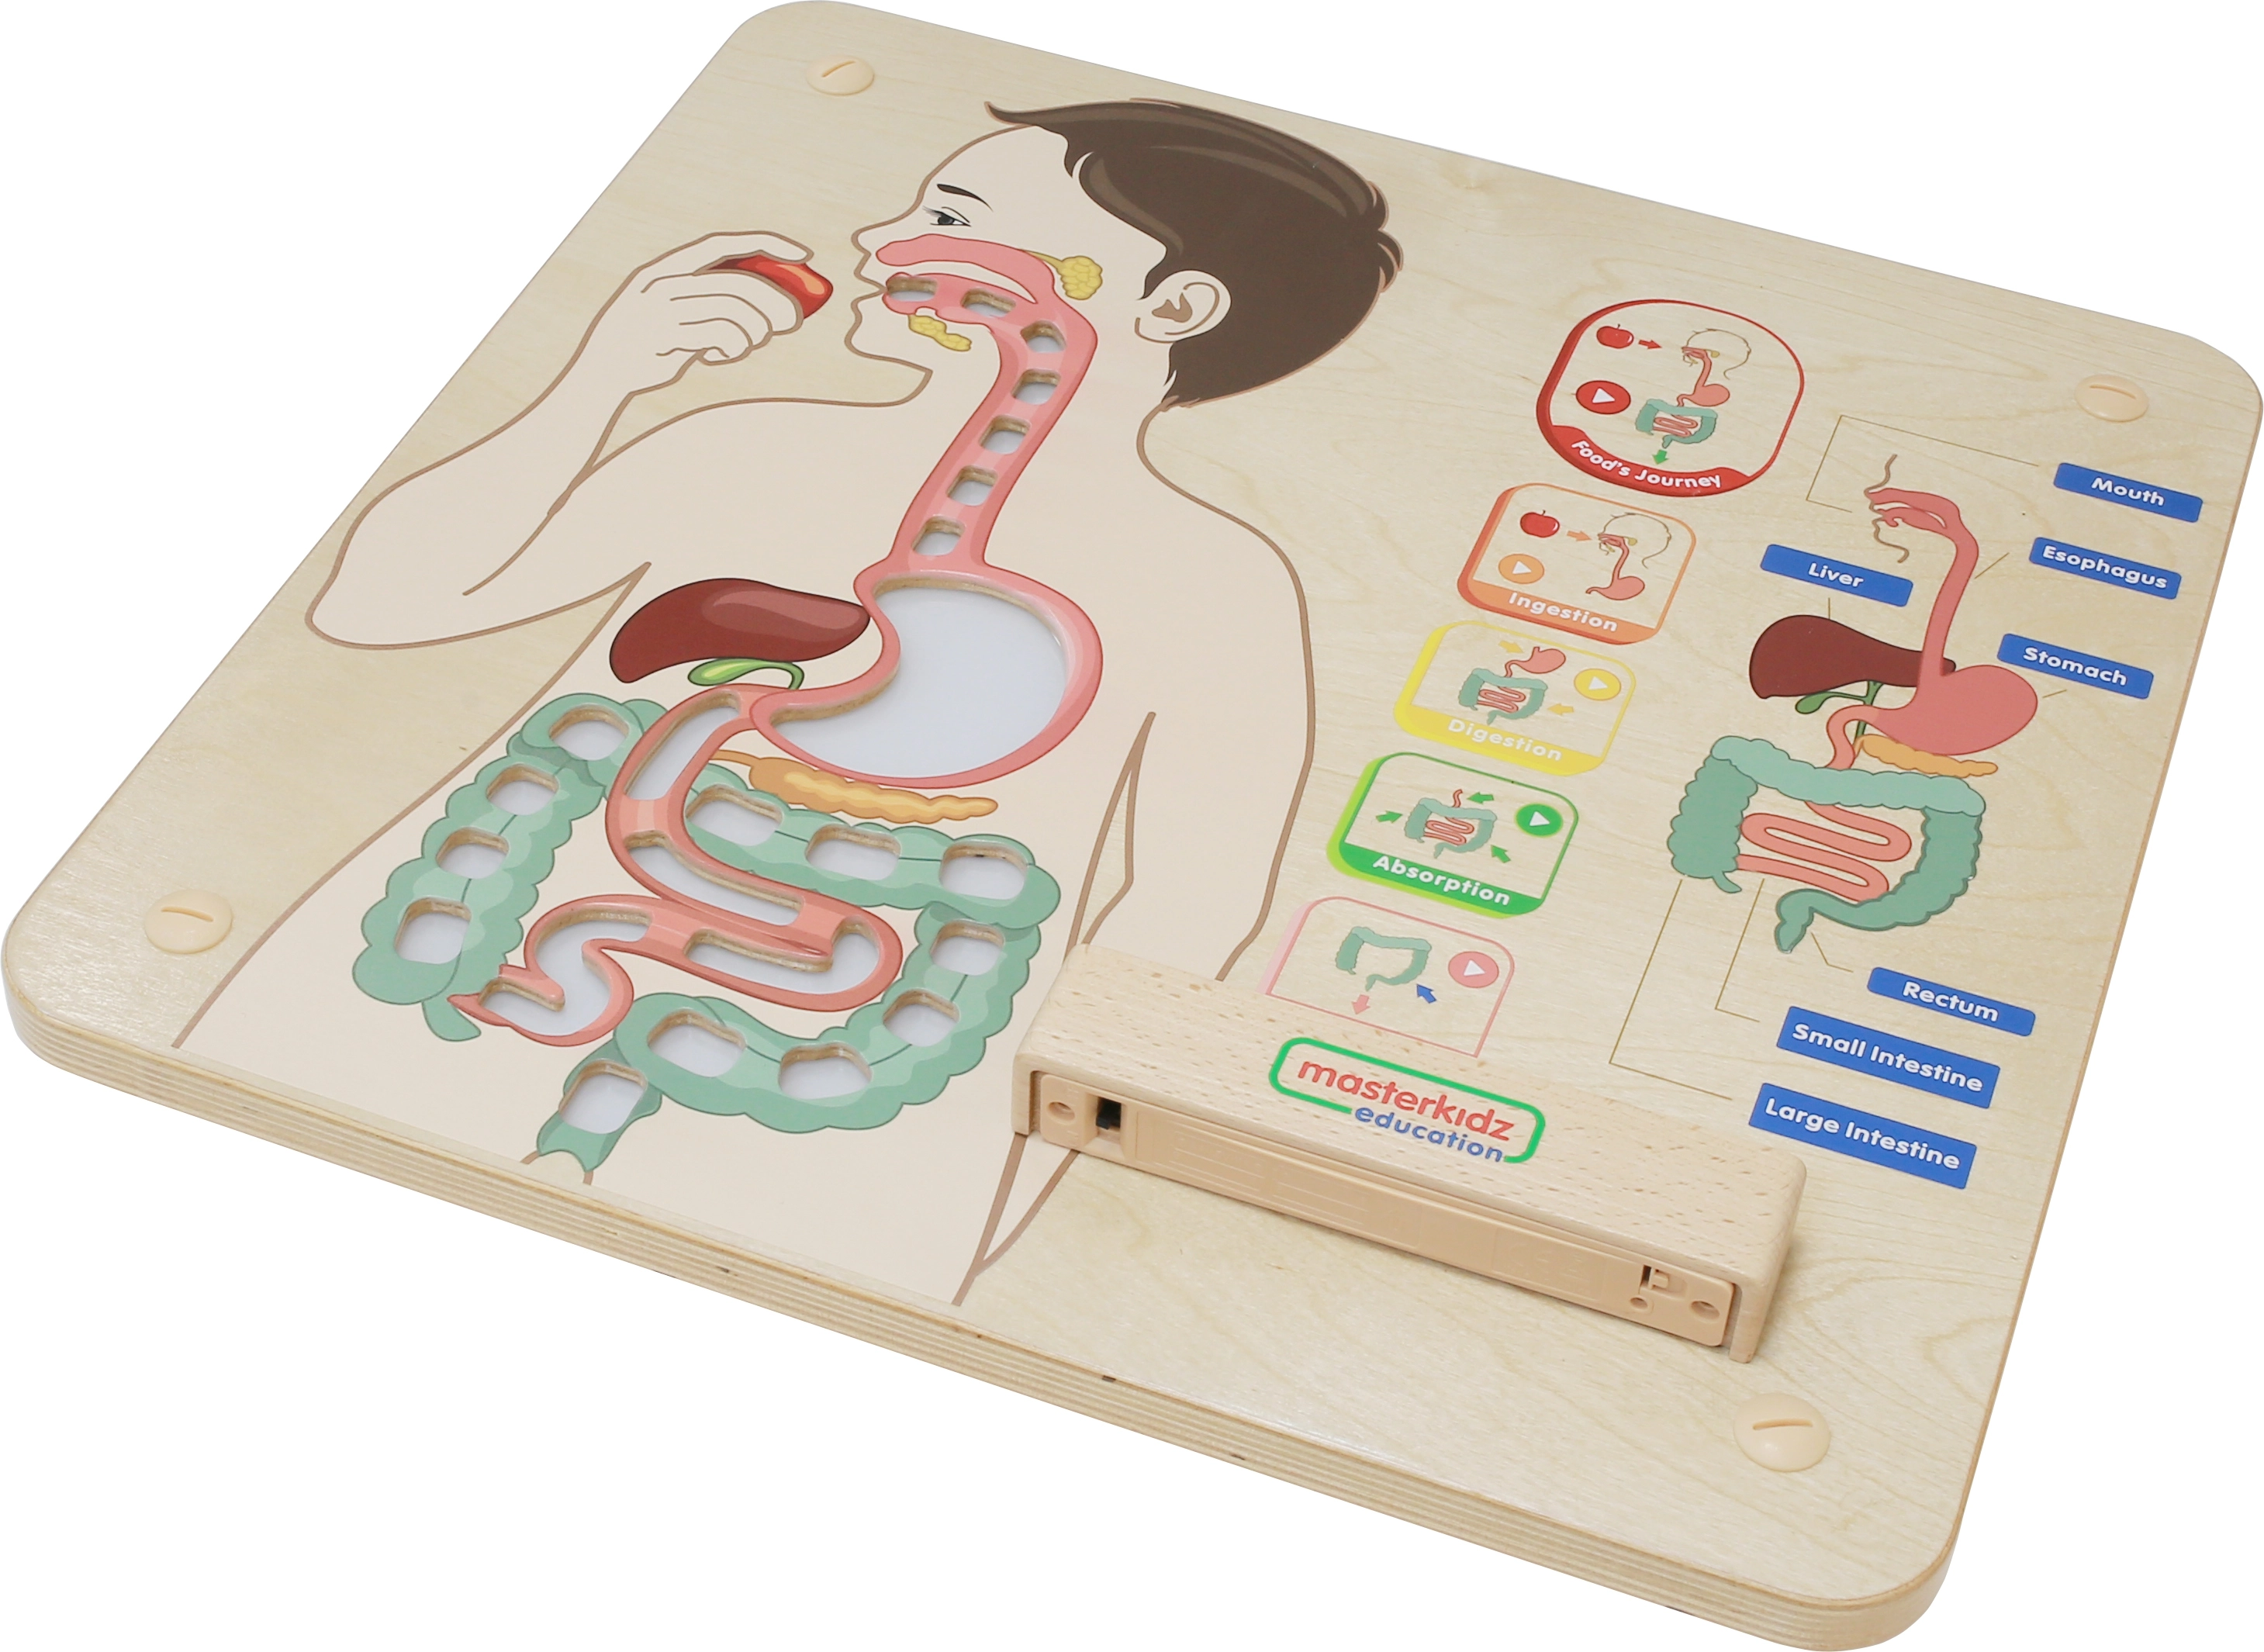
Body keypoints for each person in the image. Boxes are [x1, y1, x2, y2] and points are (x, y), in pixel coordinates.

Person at [188, 101, 1402, 1301]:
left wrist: (999, 1184)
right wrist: (602, 376)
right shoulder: (745, 444)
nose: (876, 238)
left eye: (949, 218)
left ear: (1171, 305)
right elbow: (383, 605)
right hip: (418, 1000)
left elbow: (1189, 912)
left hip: (856, 1122)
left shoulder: (1216, 584)